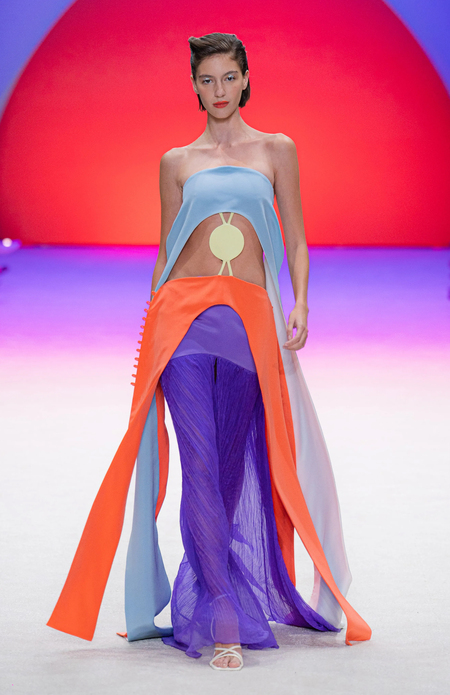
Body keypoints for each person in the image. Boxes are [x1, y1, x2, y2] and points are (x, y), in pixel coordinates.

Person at [47, 32, 371, 671]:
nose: (218, 90)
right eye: (206, 79)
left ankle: (208, 595)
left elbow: (296, 238)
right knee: (198, 465)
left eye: (228, 77)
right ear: (193, 86)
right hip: (182, 320)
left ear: (245, 79)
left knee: (226, 472)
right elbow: (165, 250)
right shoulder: (176, 161)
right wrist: (151, 329)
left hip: (248, 321)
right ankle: (222, 617)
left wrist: (301, 303)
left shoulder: (276, 149)